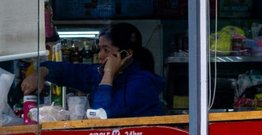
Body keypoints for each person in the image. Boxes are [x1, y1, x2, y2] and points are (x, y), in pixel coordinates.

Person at [21, 22, 166, 118]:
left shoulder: (142, 83)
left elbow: (101, 116)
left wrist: (108, 75)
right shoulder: (98, 72)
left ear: (126, 54)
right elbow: (70, 71)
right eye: (99, 49)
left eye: (106, 50)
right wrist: (41, 72)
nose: (100, 55)